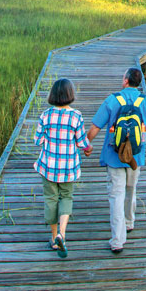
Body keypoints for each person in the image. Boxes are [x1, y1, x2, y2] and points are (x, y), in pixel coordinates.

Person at [86, 67, 146, 253]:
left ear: (125, 81)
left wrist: (86, 144)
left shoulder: (113, 100)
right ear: (139, 83)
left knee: (116, 195)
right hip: (135, 157)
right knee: (131, 190)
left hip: (114, 156)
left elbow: (96, 126)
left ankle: (117, 240)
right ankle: (129, 222)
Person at [34, 78, 91, 258]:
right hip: (68, 168)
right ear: (70, 94)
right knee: (66, 196)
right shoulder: (76, 116)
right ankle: (62, 234)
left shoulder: (45, 115)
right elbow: (82, 142)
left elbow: (38, 140)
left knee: (51, 199)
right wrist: (88, 149)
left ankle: (53, 238)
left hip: (48, 166)